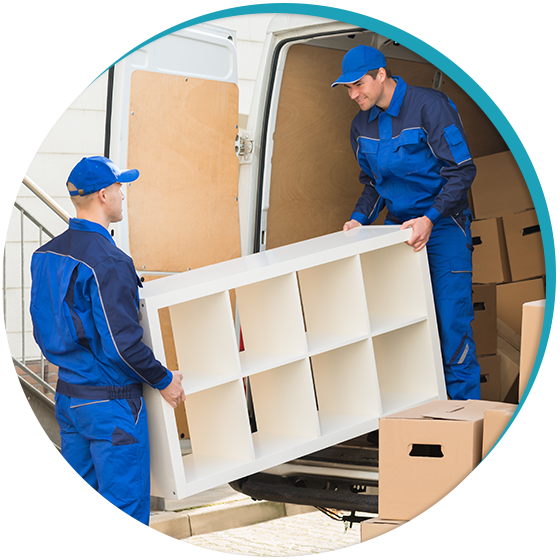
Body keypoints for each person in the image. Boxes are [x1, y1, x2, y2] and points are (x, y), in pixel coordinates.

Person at [29, 156, 186, 558]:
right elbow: (123, 344)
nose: (122, 194)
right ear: (103, 195)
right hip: (111, 406)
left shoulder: (46, 255)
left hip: (70, 397)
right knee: (121, 511)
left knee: (78, 504)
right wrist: (164, 379)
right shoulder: (110, 260)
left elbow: (43, 324)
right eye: (120, 187)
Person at [332, 45, 481, 400]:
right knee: (406, 333)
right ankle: (418, 427)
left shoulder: (429, 107)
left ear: (381, 75)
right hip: (397, 233)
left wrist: (430, 218)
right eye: (348, 88)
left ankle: (463, 431)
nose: (354, 95)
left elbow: (462, 171)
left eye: (358, 85)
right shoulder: (360, 125)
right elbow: (373, 184)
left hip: (443, 228)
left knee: (451, 328)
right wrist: (358, 220)